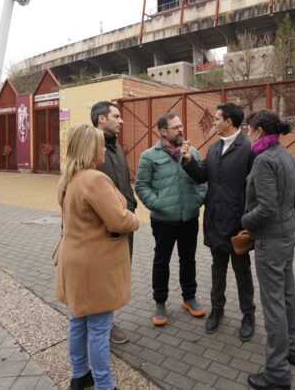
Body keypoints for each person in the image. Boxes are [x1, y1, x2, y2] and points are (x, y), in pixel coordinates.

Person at [56, 124, 139, 390]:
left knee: (78, 320)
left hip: (74, 259)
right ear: (91, 149)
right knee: (100, 328)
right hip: (96, 265)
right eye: (101, 144)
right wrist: (134, 219)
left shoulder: (67, 177)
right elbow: (118, 221)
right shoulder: (94, 179)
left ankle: (80, 375)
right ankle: (104, 384)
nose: (105, 149)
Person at [180, 103, 256, 341]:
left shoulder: (249, 149)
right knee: (217, 267)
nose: (213, 123)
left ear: (229, 122)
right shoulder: (214, 148)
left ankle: (248, 314)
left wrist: (249, 220)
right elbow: (202, 174)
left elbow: (255, 188)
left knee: (241, 270)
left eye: (216, 119)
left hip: (237, 223)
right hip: (215, 219)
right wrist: (189, 161)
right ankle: (217, 309)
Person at [241, 110, 295, 390]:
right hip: (288, 233)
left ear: (260, 131)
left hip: (271, 240)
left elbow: (266, 208)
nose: (247, 133)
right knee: (287, 292)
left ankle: (276, 371)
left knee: (273, 302)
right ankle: (291, 349)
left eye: (248, 129)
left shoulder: (264, 160)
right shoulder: (284, 154)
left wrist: (244, 222)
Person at [134, 112, 207, 326]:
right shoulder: (150, 156)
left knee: (188, 258)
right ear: (163, 131)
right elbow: (141, 186)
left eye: (181, 125)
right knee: (161, 261)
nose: (181, 129)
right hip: (163, 220)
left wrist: (199, 199)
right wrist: (159, 205)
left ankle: (189, 297)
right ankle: (160, 302)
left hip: (189, 217)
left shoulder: (191, 151)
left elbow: (202, 179)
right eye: (176, 127)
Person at [91, 101, 137, 345]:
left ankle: (107, 320)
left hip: (124, 222)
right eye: (116, 116)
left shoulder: (117, 148)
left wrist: (131, 204)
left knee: (119, 274)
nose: (121, 121)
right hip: (102, 229)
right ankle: (103, 325)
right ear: (101, 119)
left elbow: (124, 182)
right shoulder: (92, 149)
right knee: (103, 278)